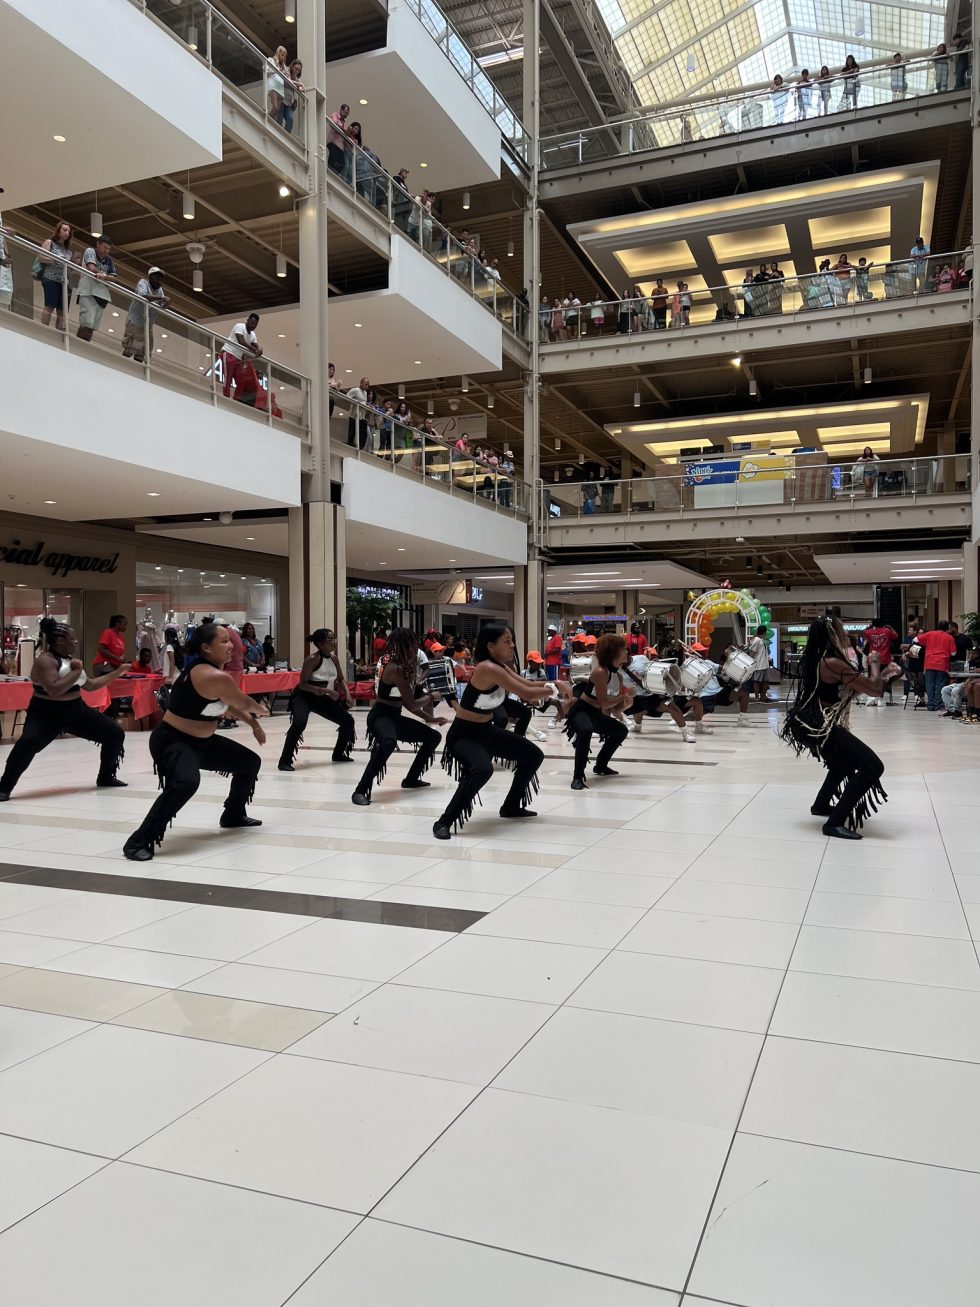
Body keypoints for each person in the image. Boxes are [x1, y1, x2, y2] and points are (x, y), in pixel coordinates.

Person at [122, 623, 269, 860]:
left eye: (230, 640)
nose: (231, 645)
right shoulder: (211, 675)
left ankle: (233, 814)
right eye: (224, 641)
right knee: (185, 782)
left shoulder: (212, 673)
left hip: (203, 743)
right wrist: (260, 710)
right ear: (206, 648)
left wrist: (254, 724)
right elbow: (242, 702)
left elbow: (227, 703)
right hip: (172, 741)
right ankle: (138, 840)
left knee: (249, 763)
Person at [782, 615, 901, 838]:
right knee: (873, 766)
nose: (846, 633)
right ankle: (834, 824)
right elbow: (875, 691)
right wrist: (876, 664)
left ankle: (821, 805)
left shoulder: (824, 660)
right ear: (832, 635)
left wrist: (882, 675)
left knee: (843, 763)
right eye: (841, 629)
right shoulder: (832, 663)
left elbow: (855, 690)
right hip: (815, 725)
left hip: (809, 723)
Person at [434, 623, 559, 837]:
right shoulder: (487, 668)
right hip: (464, 735)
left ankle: (511, 806)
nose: (512, 646)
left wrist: (555, 683)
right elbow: (528, 694)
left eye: (512, 641)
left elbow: (528, 685)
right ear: (491, 646)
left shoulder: (500, 666)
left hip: (486, 731)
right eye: (507, 641)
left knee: (533, 755)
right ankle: (443, 822)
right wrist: (556, 689)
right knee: (482, 769)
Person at [0, 618, 129, 802]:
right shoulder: (45, 661)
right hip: (46, 714)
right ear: (60, 640)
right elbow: (54, 689)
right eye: (72, 639)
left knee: (114, 734)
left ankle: (106, 776)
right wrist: (76, 672)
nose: (76, 642)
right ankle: (4, 787)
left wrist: (117, 673)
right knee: (26, 745)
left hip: (76, 711)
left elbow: (91, 686)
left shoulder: (71, 661)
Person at [352, 628, 443, 806]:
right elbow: (412, 703)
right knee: (388, 743)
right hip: (380, 716)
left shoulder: (405, 666)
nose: (415, 649)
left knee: (433, 737)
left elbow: (406, 703)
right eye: (412, 645)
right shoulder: (395, 668)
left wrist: (430, 719)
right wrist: (431, 696)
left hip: (394, 716)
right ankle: (360, 790)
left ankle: (411, 779)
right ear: (403, 646)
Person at [279, 628, 355, 771]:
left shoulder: (334, 659)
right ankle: (284, 761)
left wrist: (348, 694)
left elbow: (340, 679)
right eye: (330, 640)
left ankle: (338, 754)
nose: (334, 642)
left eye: (334, 639)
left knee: (348, 721)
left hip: (319, 697)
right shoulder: (312, 659)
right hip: (303, 696)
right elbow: (303, 684)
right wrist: (326, 691)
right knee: (299, 723)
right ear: (320, 644)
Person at [564, 632, 631, 790]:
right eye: (623, 649)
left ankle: (600, 765)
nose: (626, 652)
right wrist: (623, 697)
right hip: (581, 711)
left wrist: (626, 704)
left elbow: (614, 709)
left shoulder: (618, 676)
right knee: (586, 730)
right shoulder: (600, 672)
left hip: (596, 714)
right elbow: (604, 704)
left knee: (621, 731)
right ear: (612, 652)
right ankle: (577, 777)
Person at [622, 645, 696, 742]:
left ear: (627, 653)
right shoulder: (617, 670)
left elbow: (651, 669)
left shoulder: (641, 658)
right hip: (639, 697)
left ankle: (686, 733)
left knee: (672, 707)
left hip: (654, 693)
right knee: (637, 713)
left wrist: (655, 663)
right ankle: (637, 726)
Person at [121, 266, 169, 363]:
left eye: (161, 279)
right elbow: (144, 296)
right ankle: (122, 366)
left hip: (147, 327)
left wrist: (166, 303)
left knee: (142, 353)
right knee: (130, 349)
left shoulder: (160, 291)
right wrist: (161, 299)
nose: (160, 281)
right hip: (135, 323)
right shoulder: (143, 283)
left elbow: (162, 305)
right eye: (157, 277)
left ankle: (137, 370)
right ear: (151, 277)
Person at [76, 235, 115, 342]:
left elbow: (114, 278)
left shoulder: (109, 259)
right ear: (98, 244)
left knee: (93, 326)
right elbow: (91, 267)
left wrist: (104, 276)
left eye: (108, 249)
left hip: (102, 295)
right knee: (86, 323)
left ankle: (85, 344)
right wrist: (104, 275)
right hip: (88, 291)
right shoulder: (90, 251)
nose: (106, 251)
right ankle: (79, 345)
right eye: (104, 247)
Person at [915, 620, 958, 710]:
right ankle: (937, 704)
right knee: (940, 685)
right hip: (942, 664)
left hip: (930, 663)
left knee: (929, 684)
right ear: (947, 628)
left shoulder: (930, 634)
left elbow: (916, 639)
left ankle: (930, 704)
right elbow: (953, 653)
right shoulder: (949, 637)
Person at [39, 221, 74, 329]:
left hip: (64, 281)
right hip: (51, 278)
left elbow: (69, 268)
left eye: (68, 231)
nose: (66, 233)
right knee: (50, 305)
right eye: (64, 230)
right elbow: (42, 257)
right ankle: (44, 329)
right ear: (58, 230)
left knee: (61, 311)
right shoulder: (49, 243)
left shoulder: (68, 252)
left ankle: (60, 333)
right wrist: (56, 259)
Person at [221, 313, 262, 398]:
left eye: (255, 325)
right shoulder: (239, 326)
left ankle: (237, 398)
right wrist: (255, 350)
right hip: (229, 353)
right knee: (228, 378)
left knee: (241, 379)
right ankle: (225, 396)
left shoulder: (253, 334)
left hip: (238, 359)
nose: (253, 326)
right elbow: (241, 342)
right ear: (248, 320)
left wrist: (259, 349)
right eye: (252, 323)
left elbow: (256, 345)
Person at [747, 625, 771, 702]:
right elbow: (752, 652)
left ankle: (762, 697)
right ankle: (758, 697)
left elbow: (755, 652)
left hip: (764, 664)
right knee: (757, 681)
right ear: (764, 632)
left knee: (764, 681)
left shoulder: (761, 640)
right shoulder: (757, 640)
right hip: (760, 664)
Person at [326, 102, 351, 176]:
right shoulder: (335, 115)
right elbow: (334, 124)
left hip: (340, 147)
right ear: (341, 110)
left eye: (347, 114)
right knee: (332, 159)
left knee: (342, 164)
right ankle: (330, 174)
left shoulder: (345, 125)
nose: (346, 115)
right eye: (345, 112)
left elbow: (345, 135)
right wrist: (344, 131)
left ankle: (333, 174)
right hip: (333, 143)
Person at [281, 59, 305, 133]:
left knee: (290, 120)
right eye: (296, 68)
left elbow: (300, 88)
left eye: (299, 70)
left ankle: (285, 136)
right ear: (292, 66)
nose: (296, 71)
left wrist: (301, 87)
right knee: (279, 119)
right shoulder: (287, 70)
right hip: (281, 98)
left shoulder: (297, 79)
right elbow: (288, 81)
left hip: (289, 102)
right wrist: (300, 84)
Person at [346, 376, 369, 449]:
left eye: (368, 385)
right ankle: (350, 445)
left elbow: (363, 402)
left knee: (363, 433)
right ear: (361, 383)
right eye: (365, 384)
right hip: (354, 415)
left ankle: (360, 447)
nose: (367, 386)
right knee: (352, 432)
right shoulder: (355, 390)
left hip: (362, 416)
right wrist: (355, 402)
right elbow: (347, 397)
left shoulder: (365, 393)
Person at [267, 45, 289, 122]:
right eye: (282, 55)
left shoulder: (283, 66)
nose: (283, 57)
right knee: (275, 107)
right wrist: (276, 70)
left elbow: (287, 80)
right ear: (278, 53)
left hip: (280, 88)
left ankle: (271, 125)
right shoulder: (271, 60)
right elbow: (266, 71)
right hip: (273, 86)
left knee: (276, 113)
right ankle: (266, 121)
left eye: (284, 56)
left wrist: (286, 74)